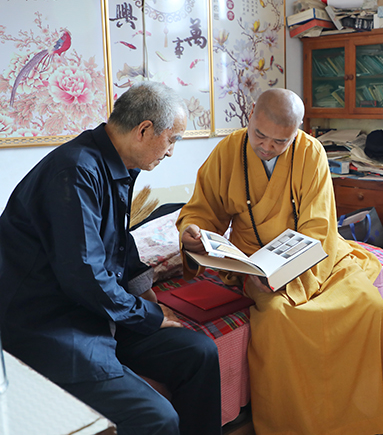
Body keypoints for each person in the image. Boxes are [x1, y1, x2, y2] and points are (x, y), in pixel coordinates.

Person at [0, 82, 222, 435]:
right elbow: (84, 276)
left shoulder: (117, 164)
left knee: (199, 352)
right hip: (53, 325)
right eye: (172, 139)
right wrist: (146, 315)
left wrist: (148, 297)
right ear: (144, 130)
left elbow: (119, 245)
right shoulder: (75, 172)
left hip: (98, 311)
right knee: (157, 418)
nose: (170, 153)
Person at [177, 88, 383, 435]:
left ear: (297, 132)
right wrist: (192, 230)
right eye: (260, 136)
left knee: (368, 304)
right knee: (279, 318)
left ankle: (358, 420)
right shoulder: (227, 151)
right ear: (250, 116)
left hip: (311, 260)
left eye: (280, 142)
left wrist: (292, 273)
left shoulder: (311, 153)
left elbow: (318, 225)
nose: (266, 147)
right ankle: (291, 425)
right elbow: (204, 210)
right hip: (253, 262)